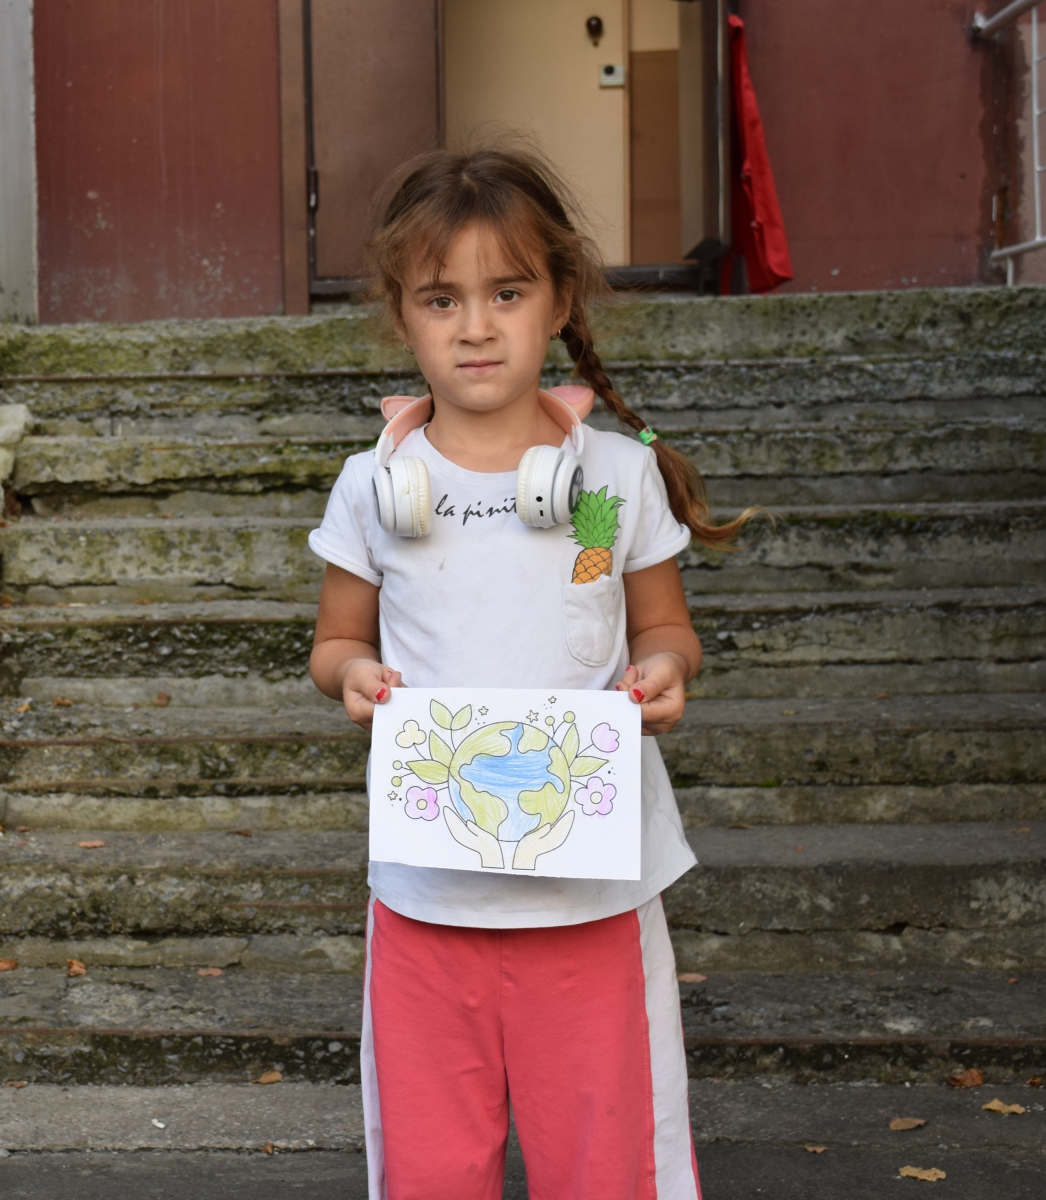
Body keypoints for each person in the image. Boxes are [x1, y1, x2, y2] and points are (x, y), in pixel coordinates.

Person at [307, 147, 748, 1200]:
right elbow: (333, 644)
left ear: (559, 301)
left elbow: (659, 626)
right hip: (426, 901)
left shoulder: (606, 482)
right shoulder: (374, 487)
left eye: (506, 293)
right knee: (429, 1166)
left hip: (594, 899)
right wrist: (354, 674)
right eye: (441, 299)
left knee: (608, 1163)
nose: (475, 326)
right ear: (401, 317)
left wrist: (661, 669)